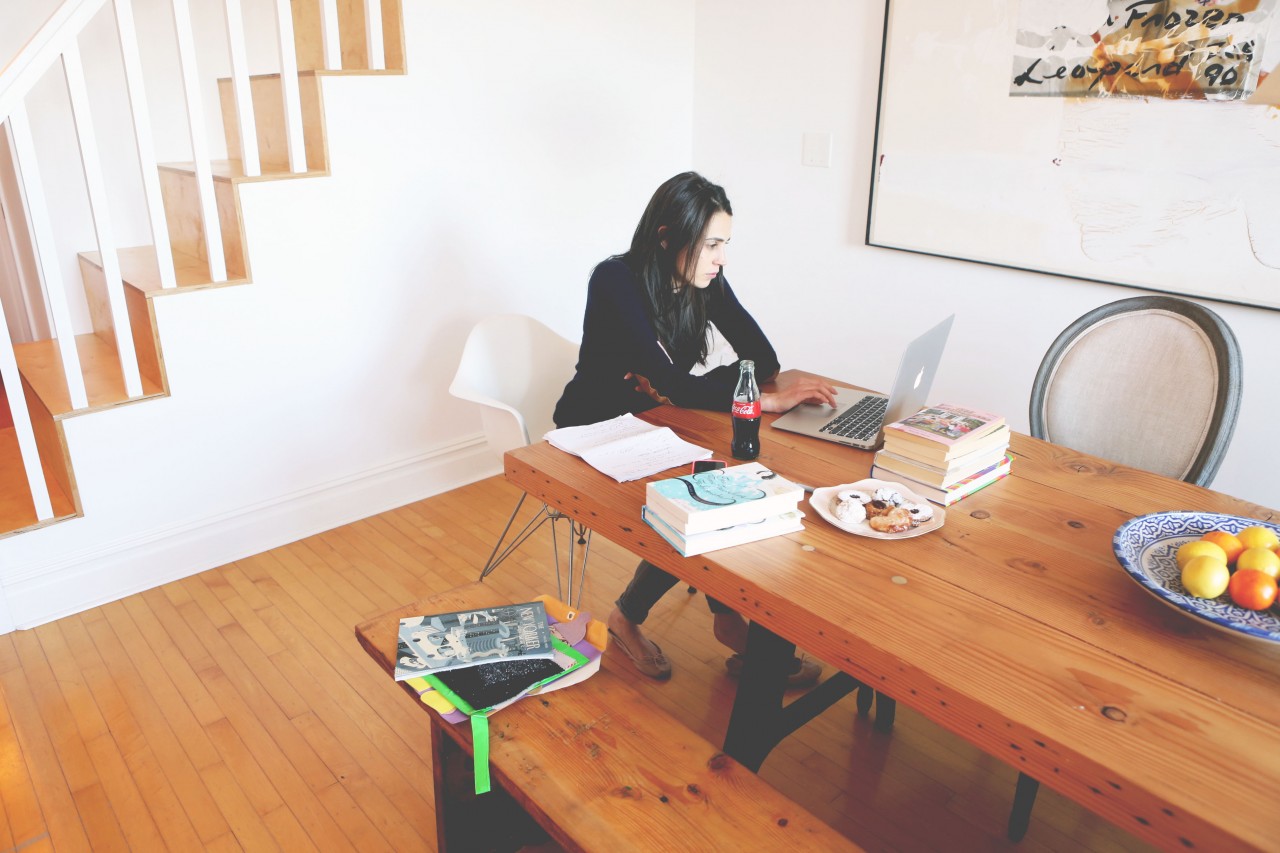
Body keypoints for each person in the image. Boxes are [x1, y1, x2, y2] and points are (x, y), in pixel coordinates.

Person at [553, 171, 837, 683]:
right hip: (596, 427)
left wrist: (696, 386)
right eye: (711, 245)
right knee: (695, 498)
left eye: (724, 244)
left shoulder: (703, 281)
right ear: (667, 237)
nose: (720, 259)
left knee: (723, 484)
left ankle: (716, 619)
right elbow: (676, 385)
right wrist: (755, 398)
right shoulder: (615, 279)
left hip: (661, 422)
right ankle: (665, 619)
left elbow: (763, 358)